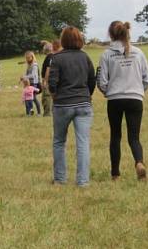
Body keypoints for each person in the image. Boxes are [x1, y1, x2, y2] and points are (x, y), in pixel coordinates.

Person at [97, 21, 148, 181]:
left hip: (115, 99)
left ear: (111, 35)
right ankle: (139, 162)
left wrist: (108, 93)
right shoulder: (138, 52)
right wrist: (139, 91)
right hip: (135, 98)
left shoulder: (106, 54)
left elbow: (102, 81)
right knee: (134, 137)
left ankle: (115, 174)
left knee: (115, 136)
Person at [48, 26, 96, 187]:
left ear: (63, 40)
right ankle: (82, 181)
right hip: (83, 103)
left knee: (59, 141)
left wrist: (55, 95)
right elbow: (92, 80)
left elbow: (52, 82)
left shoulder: (57, 58)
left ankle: (60, 179)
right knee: (83, 143)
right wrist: (88, 95)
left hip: (62, 104)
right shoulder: (85, 57)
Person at [41, 41, 61, 117]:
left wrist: (45, 81)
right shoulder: (53, 56)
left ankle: (47, 113)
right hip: (52, 79)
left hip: (49, 80)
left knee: (46, 97)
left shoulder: (49, 57)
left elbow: (48, 69)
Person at [23, 51, 42, 115]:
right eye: (26, 58)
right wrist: (24, 79)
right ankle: (29, 112)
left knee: (33, 98)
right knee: (28, 98)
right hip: (28, 83)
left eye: (29, 58)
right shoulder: (29, 65)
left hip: (34, 83)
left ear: (32, 57)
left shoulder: (34, 65)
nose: (27, 59)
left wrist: (24, 76)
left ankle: (39, 112)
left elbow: (33, 75)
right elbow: (27, 74)